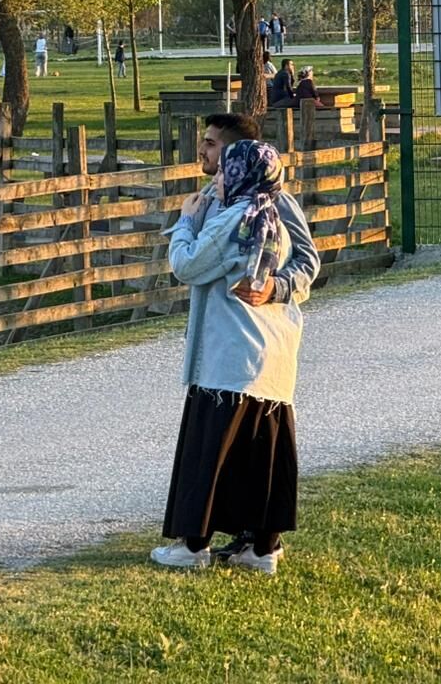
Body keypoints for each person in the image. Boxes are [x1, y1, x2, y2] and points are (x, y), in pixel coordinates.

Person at [152, 117, 318, 575]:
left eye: (213, 148)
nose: (204, 155)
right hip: (270, 354)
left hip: (231, 349)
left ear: (239, 160)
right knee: (262, 453)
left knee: (213, 451)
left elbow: (189, 264)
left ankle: (194, 544)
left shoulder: (252, 212)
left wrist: (187, 223)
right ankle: (261, 546)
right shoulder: (233, 205)